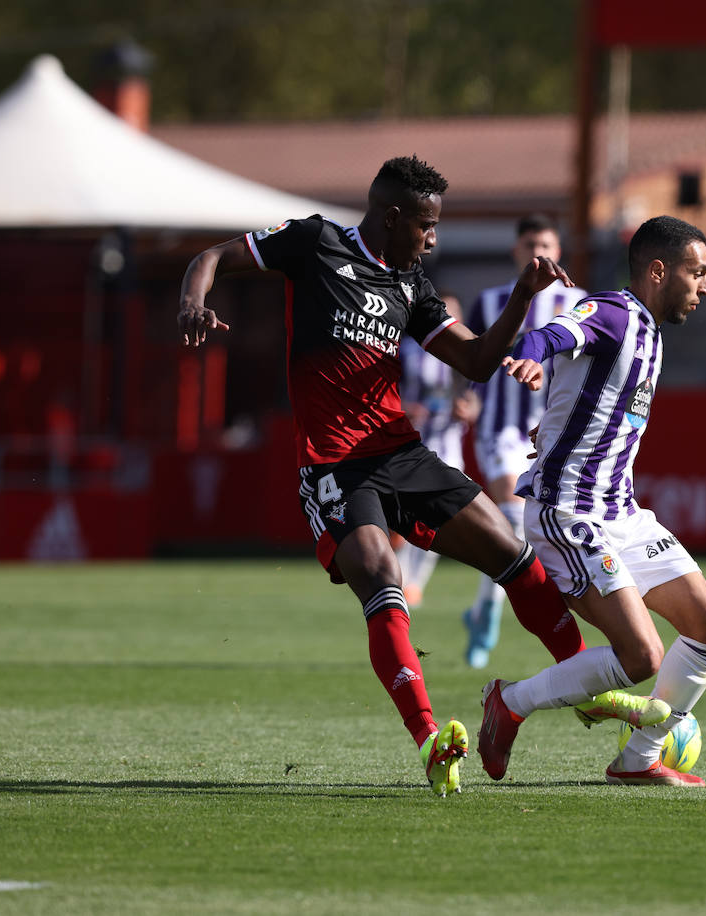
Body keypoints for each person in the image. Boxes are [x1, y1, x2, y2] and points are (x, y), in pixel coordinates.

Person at [176, 156, 596, 797]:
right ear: (393, 217)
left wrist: (522, 297)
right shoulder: (315, 243)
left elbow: (479, 361)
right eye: (426, 225)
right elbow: (210, 258)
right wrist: (192, 304)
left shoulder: (411, 283)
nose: (433, 238)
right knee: (382, 576)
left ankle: (589, 686)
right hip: (335, 465)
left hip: (402, 453)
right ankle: (431, 741)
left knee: (513, 554)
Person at [477, 215, 706, 788]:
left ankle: (638, 759)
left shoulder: (651, 332)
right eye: (698, 272)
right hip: (567, 512)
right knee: (640, 656)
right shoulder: (614, 312)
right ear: (659, 270)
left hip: (622, 513)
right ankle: (509, 702)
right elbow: (559, 332)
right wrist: (533, 353)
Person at [461, 215, 588, 668]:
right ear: (518, 252)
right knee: (513, 518)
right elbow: (469, 357)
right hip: (498, 428)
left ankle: (481, 610)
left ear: (560, 252)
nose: (540, 253)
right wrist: (465, 399)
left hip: (551, 434)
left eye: (548, 245)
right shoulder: (492, 301)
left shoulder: (578, 303)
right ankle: (488, 618)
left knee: (526, 529)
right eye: (532, 244)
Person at [394, 291, 481, 607]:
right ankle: (400, 579)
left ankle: (414, 584)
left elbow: (474, 400)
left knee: (441, 519)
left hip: (448, 445)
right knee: (404, 517)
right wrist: (404, 408)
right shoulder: (406, 349)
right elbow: (388, 392)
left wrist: (467, 410)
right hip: (410, 443)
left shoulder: (469, 351)